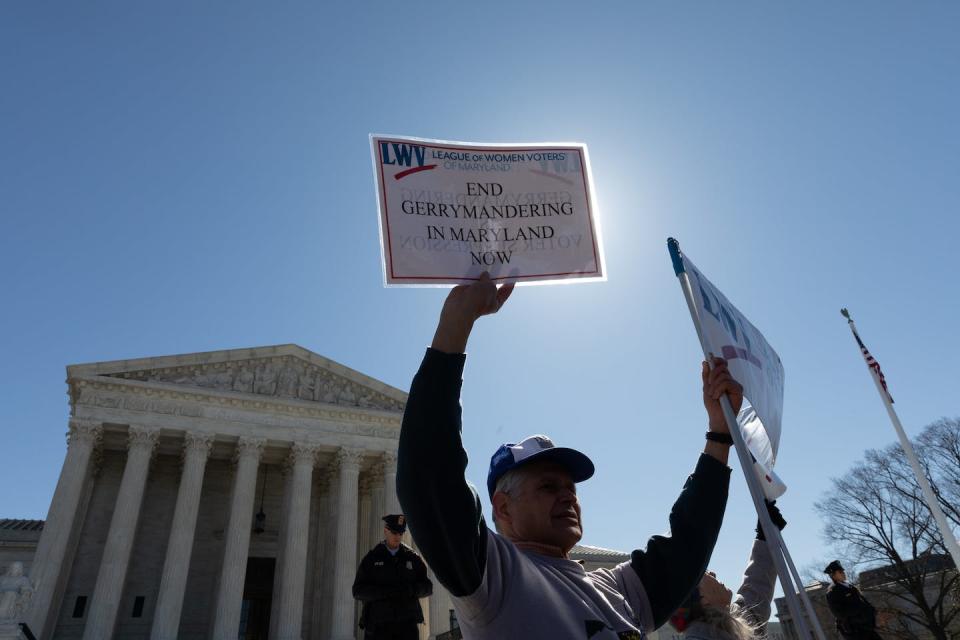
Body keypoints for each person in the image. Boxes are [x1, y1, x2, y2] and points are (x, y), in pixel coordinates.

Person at [396, 273, 744, 639]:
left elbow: (689, 542)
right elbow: (430, 476)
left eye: (571, 487)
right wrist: (455, 326)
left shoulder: (619, 591)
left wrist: (719, 435)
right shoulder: (495, 579)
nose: (567, 495)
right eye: (548, 486)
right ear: (502, 509)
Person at [668, 501, 786, 639]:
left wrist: (764, 535)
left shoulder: (732, 624)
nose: (713, 573)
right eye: (704, 573)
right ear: (701, 599)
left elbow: (756, 589)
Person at [352, 514, 433, 640]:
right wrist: (383, 592)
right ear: (386, 531)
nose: (398, 537)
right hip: (379, 625)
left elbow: (428, 587)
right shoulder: (372, 558)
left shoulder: (412, 558)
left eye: (401, 533)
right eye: (394, 532)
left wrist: (411, 590)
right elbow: (357, 591)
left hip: (407, 626)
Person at [825, 560, 882, 640]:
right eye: (840, 572)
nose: (843, 573)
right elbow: (839, 613)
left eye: (843, 571)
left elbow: (862, 602)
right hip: (855, 631)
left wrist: (872, 611)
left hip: (866, 627)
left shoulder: (849, 587)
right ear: (833, 575)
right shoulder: (833, 592)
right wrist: (859, 610)